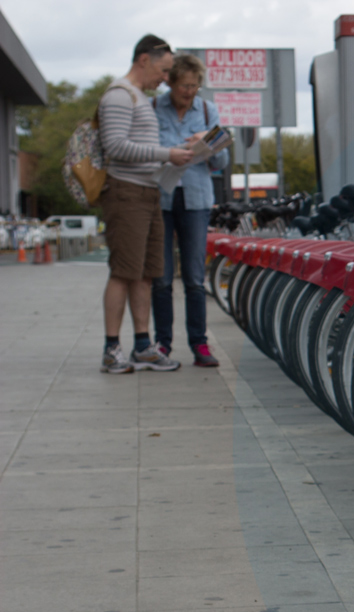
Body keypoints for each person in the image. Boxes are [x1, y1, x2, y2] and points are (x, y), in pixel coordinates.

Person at [98, 34, 193, 373]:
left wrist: (170, 158)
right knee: (123, 272)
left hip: (149, 192)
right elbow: (115, 147)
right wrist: (166, 154)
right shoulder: (119, 96)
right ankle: (112, 349)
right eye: (164, 70)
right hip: (126, 194)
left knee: (146, 274)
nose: (165, 80)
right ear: (144, 60)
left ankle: (143, 345)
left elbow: (136, 147)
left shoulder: (139, 98)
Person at [152, 53, 227, 367]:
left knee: (195, 278)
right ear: (170, 83)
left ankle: (200, 344)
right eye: (184, 85)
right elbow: (145, 150)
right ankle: (163, 344)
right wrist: (170, 152)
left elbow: (221, 163)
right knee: (162, 277)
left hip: (196, 199)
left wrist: (206, 142)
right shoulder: (154, 108)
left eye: (194, 86)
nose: (189, 92)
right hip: (161, 197)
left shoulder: (208, 110)